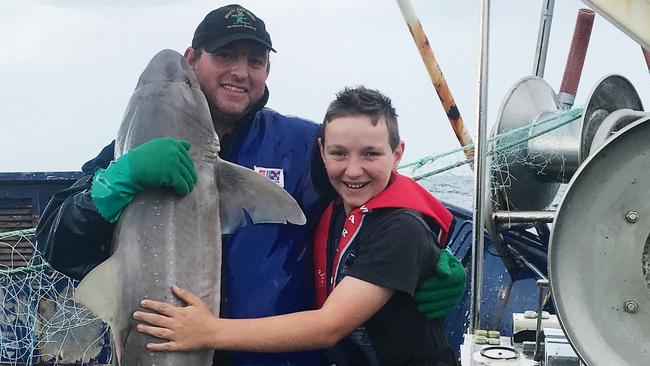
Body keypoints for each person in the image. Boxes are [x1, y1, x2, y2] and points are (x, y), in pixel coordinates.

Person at [36, 5, 466, 366]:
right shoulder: (131, 154)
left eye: (255, 60)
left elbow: (380, 190)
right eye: (227, 55)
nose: (241, 72)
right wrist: (115, 183)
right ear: (192, 59)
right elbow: (56, 242)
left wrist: (433, 253)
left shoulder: (301, 145)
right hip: (161, 346)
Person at [133, 86, 460, 365]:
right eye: (339, 154)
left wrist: (208, 331)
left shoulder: (401, 229)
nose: (353, 170)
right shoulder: (335, 207)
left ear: (398, 154)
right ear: (321, 152)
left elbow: (329, 325)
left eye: (371, 154)